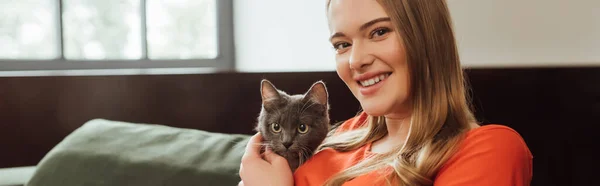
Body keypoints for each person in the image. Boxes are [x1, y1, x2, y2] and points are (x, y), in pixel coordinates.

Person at [238, 0, 533, 185]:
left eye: (379, 32)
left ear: (428, 38)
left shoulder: (489, 149)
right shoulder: (338, 136)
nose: (356, 60)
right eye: (342, 44)